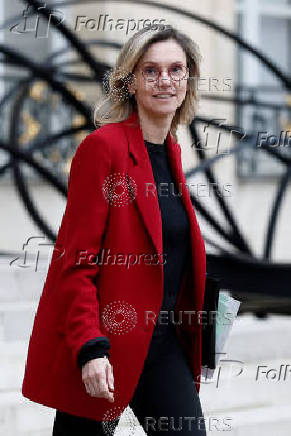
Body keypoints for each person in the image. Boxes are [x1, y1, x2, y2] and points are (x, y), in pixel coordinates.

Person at [21, 24, 207, 435]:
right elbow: (75, 261)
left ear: (188, 79)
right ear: (131, 81)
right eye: (151, 71)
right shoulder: (103, 148)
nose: (165, 81)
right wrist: (90, 347)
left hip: (163, 345)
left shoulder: (171, 150)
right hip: (106, 346)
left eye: (176, 69)